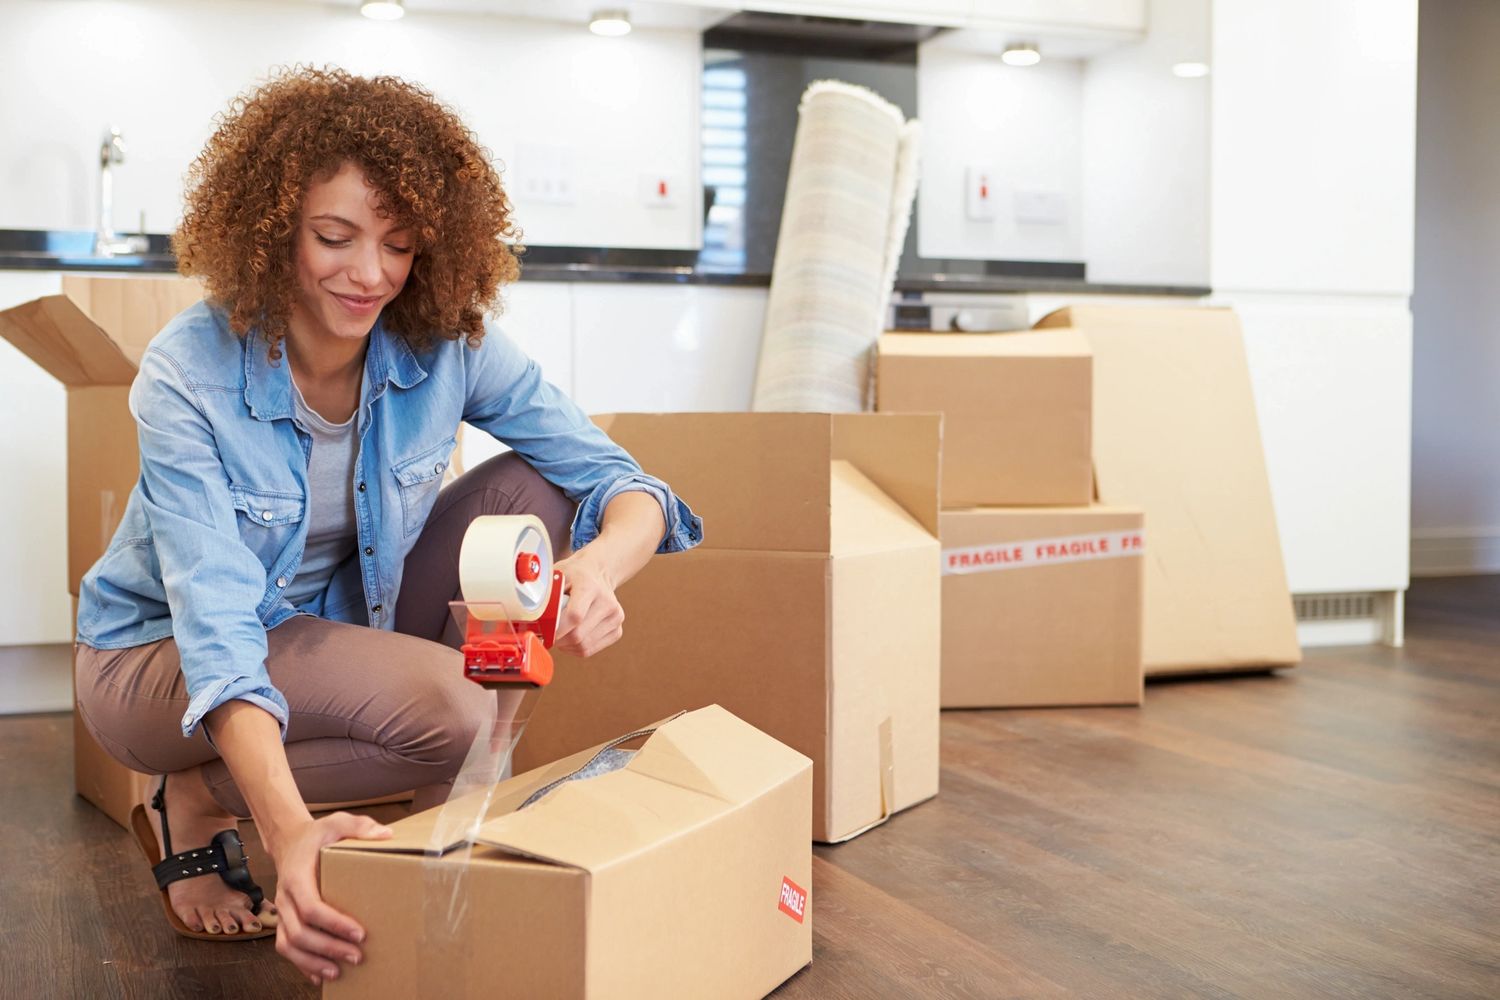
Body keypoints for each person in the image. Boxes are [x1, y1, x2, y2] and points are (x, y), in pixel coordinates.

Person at [72, 67, 701, 988]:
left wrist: (602, 564)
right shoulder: (189, 372)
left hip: (330, 625)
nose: (370, 275)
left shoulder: (445, 343)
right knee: (453, 705)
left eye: (399, 245)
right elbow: (216, 629)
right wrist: (289, 838)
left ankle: (451, 821)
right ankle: (202, 795)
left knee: (537, 487)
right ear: (272, 228)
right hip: (155, 660)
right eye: (335, 237)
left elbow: (627, 482)